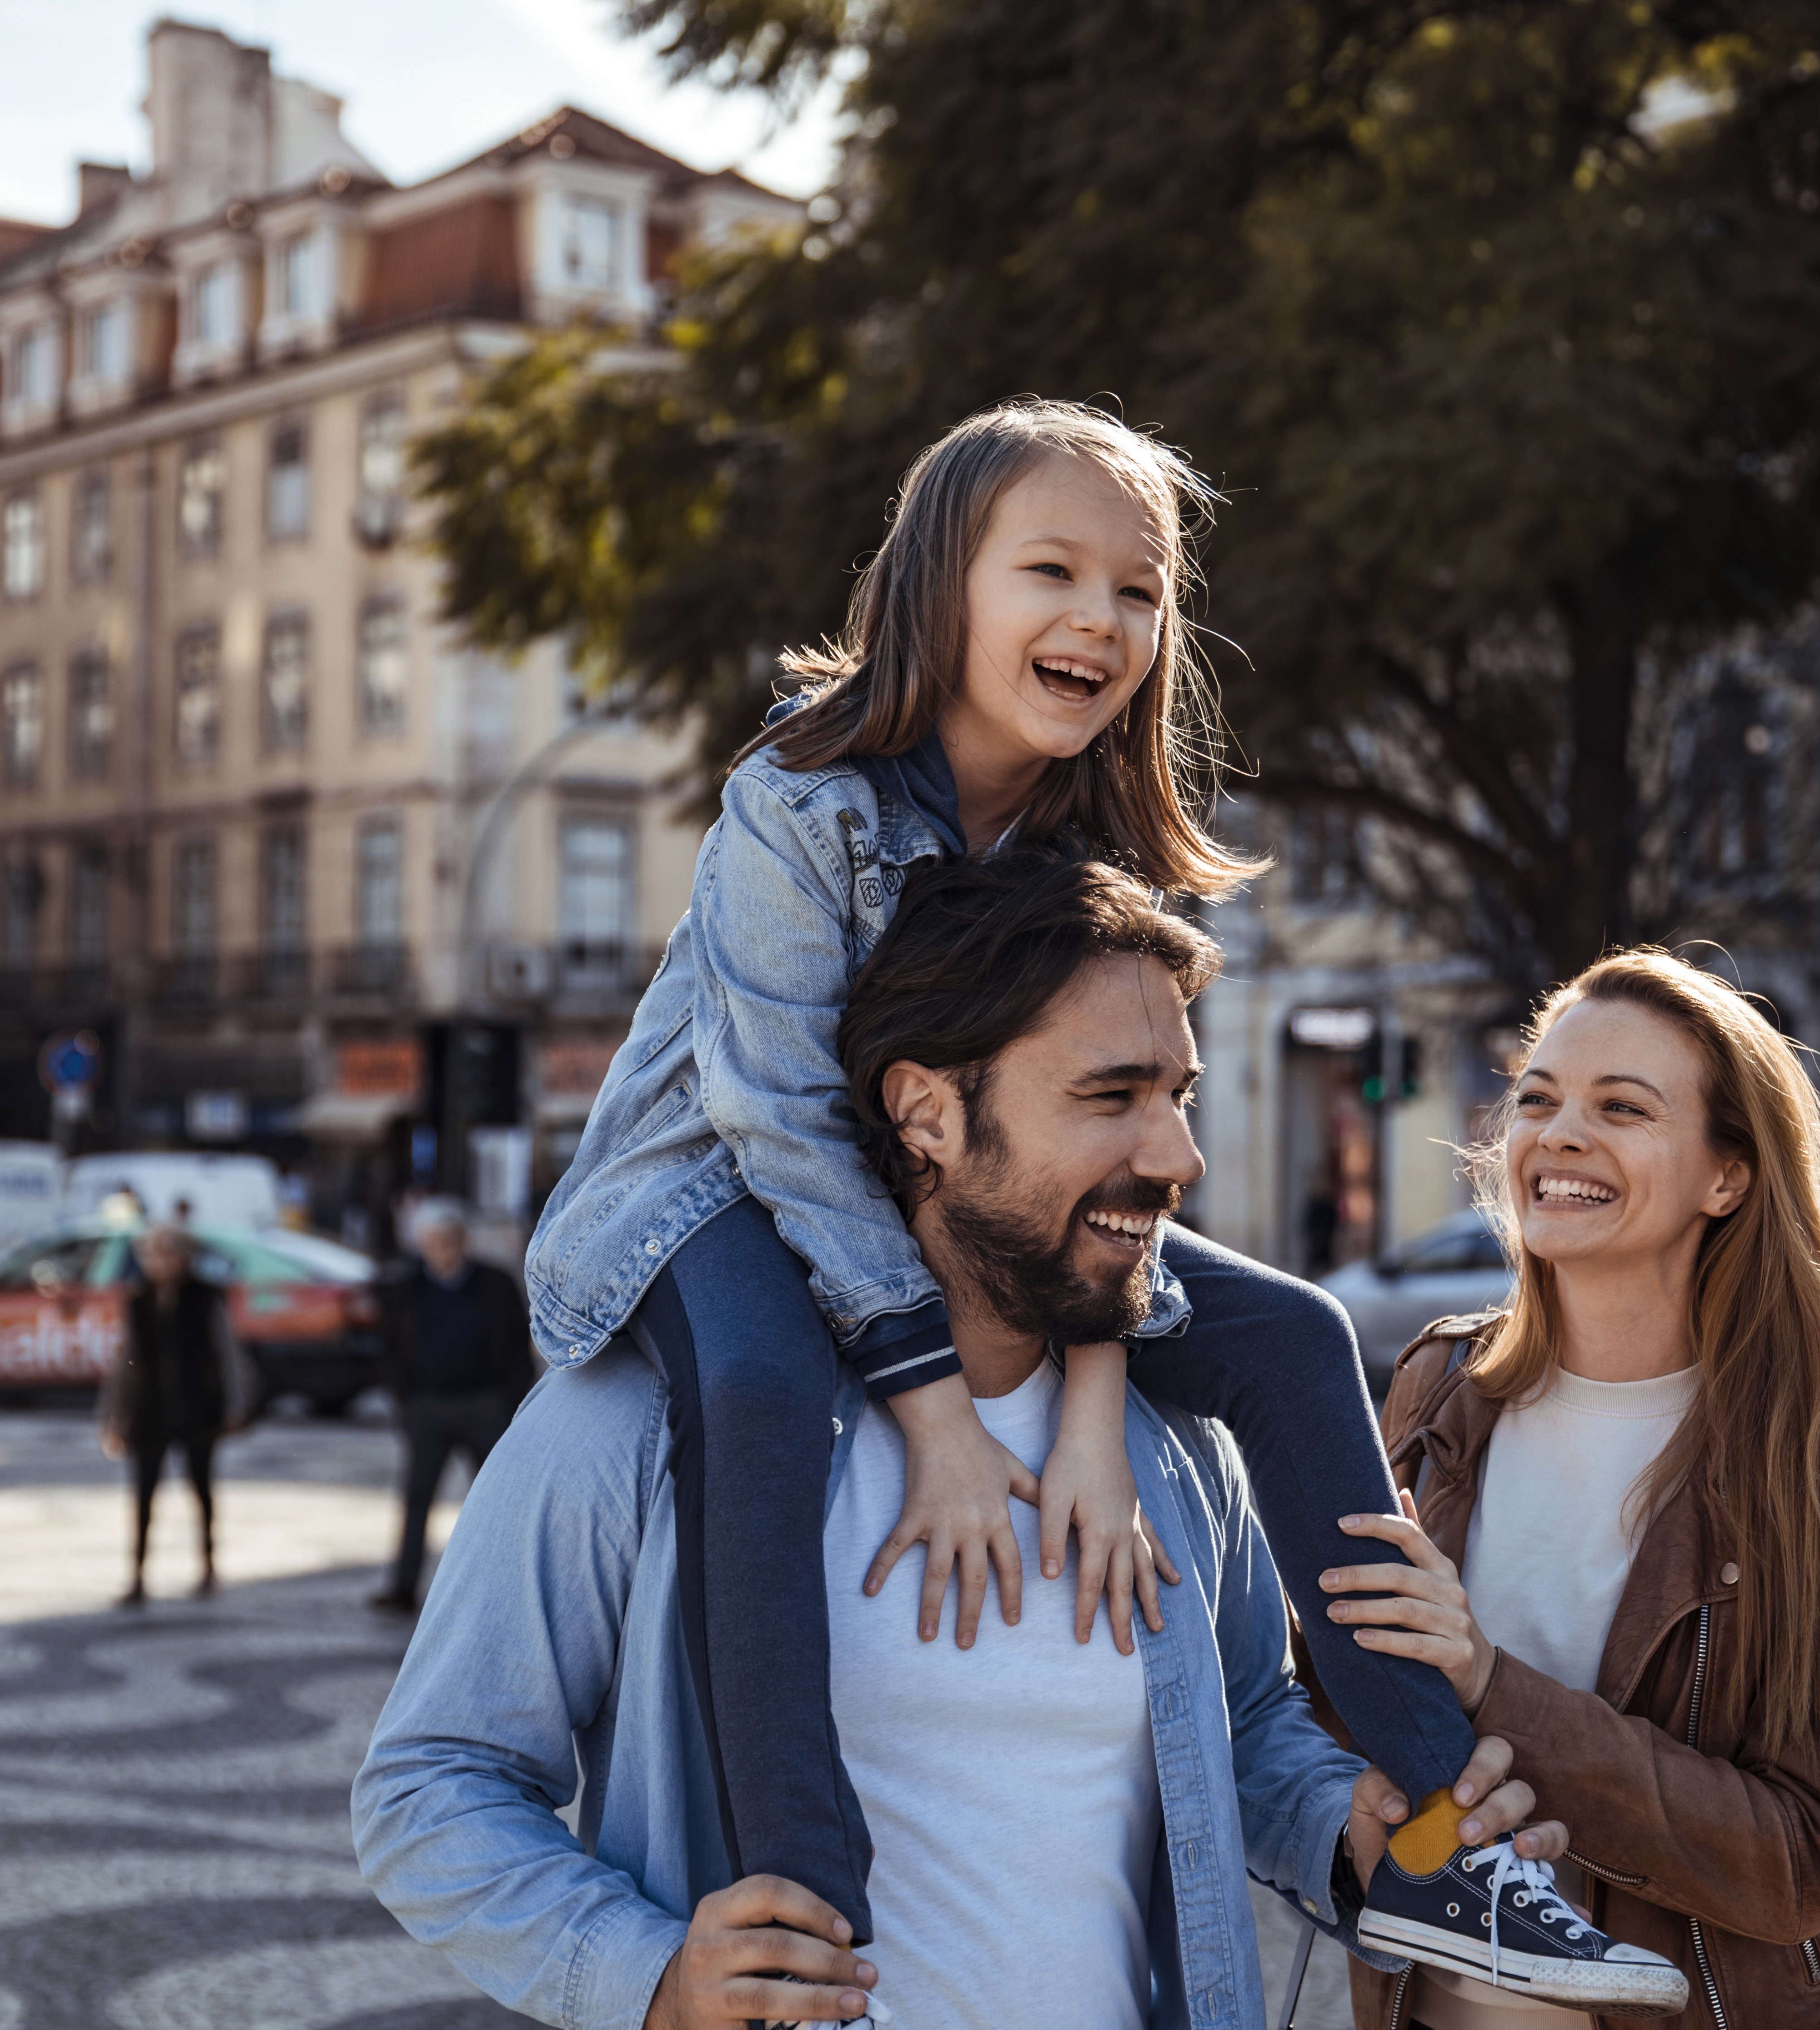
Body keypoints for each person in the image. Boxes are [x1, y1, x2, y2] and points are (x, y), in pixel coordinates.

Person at [514, 401, 1519, 1974]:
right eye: (1049, 568)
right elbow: (778, 1117)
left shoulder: (1090, 832)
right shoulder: (802, 796)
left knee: (1295, 1332)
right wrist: (936, 1416)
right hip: (709, 1199)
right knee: (769, 1388)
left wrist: (1095, 1412)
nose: (1097, 618)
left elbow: (1098, 1208)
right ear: (938, 589)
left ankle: (1452, 1838)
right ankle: (801, 1903)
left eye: (1137, 591)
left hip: (960, 1220)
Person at [356, 852, 1614, 2028]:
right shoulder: (646, 1427)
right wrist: (647, 1978)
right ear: (928, 1117)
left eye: (1177, 1095)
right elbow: (430, 1787)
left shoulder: (1169, 1448)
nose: (1177, 1155)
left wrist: (1349, 1824)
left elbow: (1240, 1724)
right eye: (1109, 1097)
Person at [1319, 951, 1820, 2030]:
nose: (1558, 1132)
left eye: (1620, 1107)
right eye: (1536, 1098)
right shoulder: (1437, 1387)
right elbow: (1350, 1702)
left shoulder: (1819, 1444)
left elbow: (1797, 1858)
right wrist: (1348, 1791)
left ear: (1726, 1175)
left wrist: (1488, 1680)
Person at [370, 1201, 533, 1612]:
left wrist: (510, 1399)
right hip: (428, 1406)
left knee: (496, 1500)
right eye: (433, 1242)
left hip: (485, 1403)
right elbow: (389, 1346)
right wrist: (405, 1398)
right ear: (421, 1245)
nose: (442, 1250)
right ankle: (403, 1587)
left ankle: (506, 1584)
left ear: (463, 1240)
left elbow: (518, 1345)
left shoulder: (495, 1283)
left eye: (449, 1240)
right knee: (417, 1497)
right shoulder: (406, 1288)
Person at [99, 1223, 251, 1607]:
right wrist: (115, 1416)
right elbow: (125, 1362)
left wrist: (234, 1403)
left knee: (201, 1488)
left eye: (168, 1253)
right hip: (150, 1409)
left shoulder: (205, 1296)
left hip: (197, 1407)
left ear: (185, 1257)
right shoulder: (138, 1299)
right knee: (144, 1493)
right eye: (152, 1253)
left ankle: (207, 1564)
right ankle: (137, 1574)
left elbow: (226, 1352)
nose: (160, 1261)